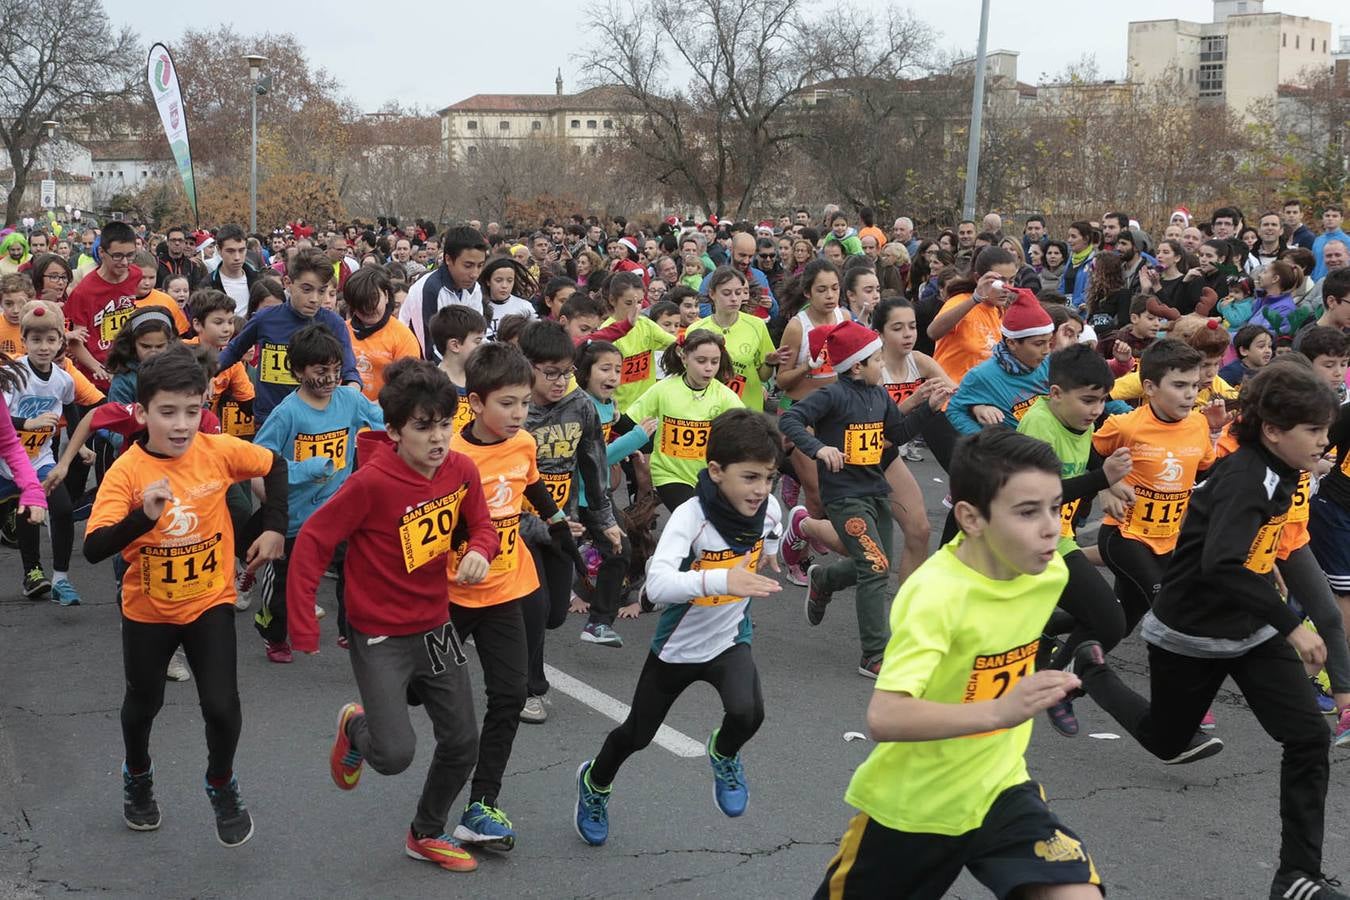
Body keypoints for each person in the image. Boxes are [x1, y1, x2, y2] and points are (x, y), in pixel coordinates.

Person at [1075, 361, 1345, 900]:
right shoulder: (1248, 476)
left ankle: (1298, 876)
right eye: (1314, 430)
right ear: (1274, 430)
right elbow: (1222, 563)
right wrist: (1294, 626)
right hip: (1191, 632)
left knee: (1309, 737)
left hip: (1251, 628)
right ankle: (1091, 667)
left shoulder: (1283, 468)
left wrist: (1276, 601)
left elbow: (1255, 549)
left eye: (1327, 429)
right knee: (1166, 741)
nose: (1324, 440)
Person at [813, 429, 1102, 900]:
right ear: (970, 517)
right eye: (1028, 512)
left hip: (1000, 787)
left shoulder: (1049, 572)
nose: (1051, 527)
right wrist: (1000, 711)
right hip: (914, 807)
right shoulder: (935, 596)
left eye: (1056, 507)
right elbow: (885, 717)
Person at [286, 358, 495, 874]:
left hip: (435, 625)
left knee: (463, 741)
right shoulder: (371, 483)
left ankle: (425, 833)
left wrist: (480, 550)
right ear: (396, 431)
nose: (438, 437)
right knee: (393, 755)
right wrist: (303, 623)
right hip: (379, 633)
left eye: (444, 424)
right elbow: (313, 540)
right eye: (423, 427)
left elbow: (483, 527)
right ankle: (356, 727)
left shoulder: (461, 470)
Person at [83, 346, 286, 847]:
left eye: (192, 411)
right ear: (141, 413)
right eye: (168, 412)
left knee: (221, 706)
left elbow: (275, 464)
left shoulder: (216, 450)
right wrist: (143, 518)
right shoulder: (127, 472)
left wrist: (274, 528)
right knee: (143, 703)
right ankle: (137, 774)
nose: (181, 425)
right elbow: (93, 548)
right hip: (148, 611)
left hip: (209, 602)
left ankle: (221, 780)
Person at [574, 408, 784, 847]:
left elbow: (773, 526)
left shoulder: (768, 509)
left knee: (749, 713)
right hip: (677, 648)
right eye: (750, 477)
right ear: (716, 471)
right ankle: (595, 781)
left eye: (769, 477)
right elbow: (658, 585)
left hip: (729, 638)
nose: (761, 489)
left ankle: (723, 752)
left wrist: (770, 551)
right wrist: (722, 580)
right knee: (637, 735)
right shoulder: (692, 517)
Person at [445, 341, 573, 853]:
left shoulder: (522, 443)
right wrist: (465, 542)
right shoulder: (451, 455)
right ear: (476, 403)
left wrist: (558, 523)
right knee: (413, 691)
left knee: (509, 696)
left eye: (523, 402)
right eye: (507, 403)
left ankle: (481, 804)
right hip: (451, 597)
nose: (519, 413)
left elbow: (532, 484)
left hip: (505, 591)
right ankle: (365, 727)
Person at [781, 319, 948, 678]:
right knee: (874, 567)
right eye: (877, 360)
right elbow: (790, 420)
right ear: (856, 367)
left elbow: (897, 434)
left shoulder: (878, 395)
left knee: (874, 562)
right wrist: (819, 448)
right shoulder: (832, 395)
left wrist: (929, 408)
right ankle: (873, 654)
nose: (882, 365)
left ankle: (824, 581)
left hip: (875, 491)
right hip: (844, 496)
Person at [1016, 345, 1134, 736]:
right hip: (1020, 544)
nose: (1096, 410)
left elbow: (1088, 458)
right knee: (1108, 621)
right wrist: (1103, 479)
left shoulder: (1078, 420)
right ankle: (1052, 680)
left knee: (1111, 622)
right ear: (1055, 394)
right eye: (1088, 400)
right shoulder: (1038, 425)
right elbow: (1038, 494)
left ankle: (1053, 677)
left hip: (1057, 538)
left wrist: (1109, 486)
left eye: (1101, 400)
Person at [252, 325, 384, 662]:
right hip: (293, 519)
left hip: (339, 511)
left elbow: (383, 423)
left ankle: (348, 629)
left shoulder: (349, 399)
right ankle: (273, 632)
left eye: (336, 369)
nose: (331, 378)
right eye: (321, 370)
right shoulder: (286, 414)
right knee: (283, 586)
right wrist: (307, 468)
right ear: (298, 371)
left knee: (353, 572)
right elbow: (259, 463)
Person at [518, 320, 622, 720]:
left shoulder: (580, 405)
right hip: (517, 526)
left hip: (564, 524)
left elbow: (593, 465)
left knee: (555, 614)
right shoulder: (513, 409)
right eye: (551, 373)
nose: (561, 381)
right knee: (535, 607)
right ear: (526, 366)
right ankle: (529, 687)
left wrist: (604, 520)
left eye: (567, 372)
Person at [1093, 341, 1220, 646]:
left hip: (1166, 541)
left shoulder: (1198, 424)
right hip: (1125, 536)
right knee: (1170, 608)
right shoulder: (1125, 426)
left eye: (1194, 385)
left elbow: (1206, 472)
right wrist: (1105, 485)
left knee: (1118, 623)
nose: (1190, 394)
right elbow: (1088, 451)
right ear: (1150, 387)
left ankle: (1055, 643)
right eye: (1179, 385)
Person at [216, 248, 360, 427]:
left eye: (322, 291)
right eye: (307, 289)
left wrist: (352, 390)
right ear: (288, 283)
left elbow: (349, 370)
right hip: (270, 420)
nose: (315, 299)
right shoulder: (265, 319)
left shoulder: (334, 324)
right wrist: (204, 375)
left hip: (315, 423)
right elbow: (233, 351)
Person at [624, 329, 744, 511]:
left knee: (707, 523)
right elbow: (629, 420)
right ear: (684, 357)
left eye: (715, 361)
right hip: (669, 474)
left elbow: (747, 432)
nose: (709, 368)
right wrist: (613, 423)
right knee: (692, 513)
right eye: (701, 361)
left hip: (709, 475)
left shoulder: (725, 396)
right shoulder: (664, 389)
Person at [6, 301, 77, 603]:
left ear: (61, 341)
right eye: (36, 340)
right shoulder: (12, 374)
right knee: (24, 513)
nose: (44, 347)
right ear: (23, 340)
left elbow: (72, 408)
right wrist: (29, 423)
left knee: (61, 509)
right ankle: (31, 568)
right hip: (5, 461)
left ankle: (57, 578)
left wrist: (81, 446)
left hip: (39, 460)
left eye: (51, 339)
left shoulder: (63, 380)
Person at [946, 292, 1053, 434]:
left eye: (1049, 342)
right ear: (1012, 343)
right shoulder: (981, 375)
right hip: (1014, 446)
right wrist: (984, 440)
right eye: (1039, 344)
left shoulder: (1050, 364)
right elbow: (955, 410)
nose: (1046, 351)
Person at [64, 221, 146, 390]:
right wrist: (99, 369)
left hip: (129, 370)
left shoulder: (136, 275)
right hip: (97, 379)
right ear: (102, 252)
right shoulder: (83, 292)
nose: (125, 262)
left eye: (130, 255)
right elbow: (75, 342)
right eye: (117, 256)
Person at [687, 266, 778, 412]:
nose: (734, 298)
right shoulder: (696, 329)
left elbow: (763, 376)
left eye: (739, 292)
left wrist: (770, 363)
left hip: (747, 410)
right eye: (727, 293)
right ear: (712, 294)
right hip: (709, 410)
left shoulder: (757, 325)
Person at [930, 247, 1021, 383]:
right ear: (979, 278)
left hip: (986, 390)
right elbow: (933, 332)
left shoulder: (1001, 310)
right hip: (952, 390)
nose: (1007, 288)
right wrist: (975, 299)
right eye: (999, 281)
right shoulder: (960, 301)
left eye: (1011, 280)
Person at [399, 226, 489, 362]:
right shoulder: (428, 289)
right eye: (468, 266)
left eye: (480, 265)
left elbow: (478, 335)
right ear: (448, 259)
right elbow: (428, 350)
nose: (475, 274)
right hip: (418, 364)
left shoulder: (474, 287)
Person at [345, 266, 420, 401]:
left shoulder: (403, 336)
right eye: (361, 304)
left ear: (386, 296)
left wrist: (375, 407)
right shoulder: (341, 331)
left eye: (374, 299)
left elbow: (407, 386)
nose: (369, 309)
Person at [429, 305, 486, 437]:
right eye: (477, 341)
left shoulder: (483, 380)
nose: (482, 346)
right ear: (455, 345)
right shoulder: (431, 386)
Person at [208, 225, 263, 318]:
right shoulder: (208, 285)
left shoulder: (258, 279)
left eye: (241, 250)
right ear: (219, 250)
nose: (237, 257)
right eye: (230, 251)